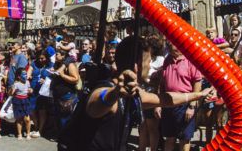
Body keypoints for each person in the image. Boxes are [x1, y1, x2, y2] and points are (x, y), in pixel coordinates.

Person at [57, 36, 215, 151]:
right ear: (137, 65)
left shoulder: (134, 92)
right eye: (148, 60)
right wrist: (115, 93)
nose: (150, 64)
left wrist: (197, 95)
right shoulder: (108, 87)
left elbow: (165, 99)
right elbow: (96, 104)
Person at [158, 43, 202, 151]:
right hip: (168, 103)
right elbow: (162, 84)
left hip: (185, 105)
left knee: (184, 139)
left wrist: (192, 106)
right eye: (169, 46)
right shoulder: (167, 60)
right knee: (169, 138)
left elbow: (197, 83)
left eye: (172, 45)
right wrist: (159, 105)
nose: (169, 48)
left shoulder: (190, 60)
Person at [51, 49, 80, 130]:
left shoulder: (70, 65)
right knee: (59, 117)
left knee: (66, 118)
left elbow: (76, 79)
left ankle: (66, 136)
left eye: (57, 54)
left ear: (63, 55)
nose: (55, 56)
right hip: (58, 95)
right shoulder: (58, 64)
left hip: (67, 96)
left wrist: (63, 75)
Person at [10, 67, 33, 140]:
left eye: (26, 74)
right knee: (19, 119)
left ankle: (28, 133)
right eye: (24, 74)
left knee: (27, 119)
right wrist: (12, 89)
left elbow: (30, 89)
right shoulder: (16, 84)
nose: (26, 76)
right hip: (17, 101)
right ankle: (19, 134)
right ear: (19, 77)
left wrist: (31, 90)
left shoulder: (27, 82)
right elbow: (11, 94)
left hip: (25, 101)